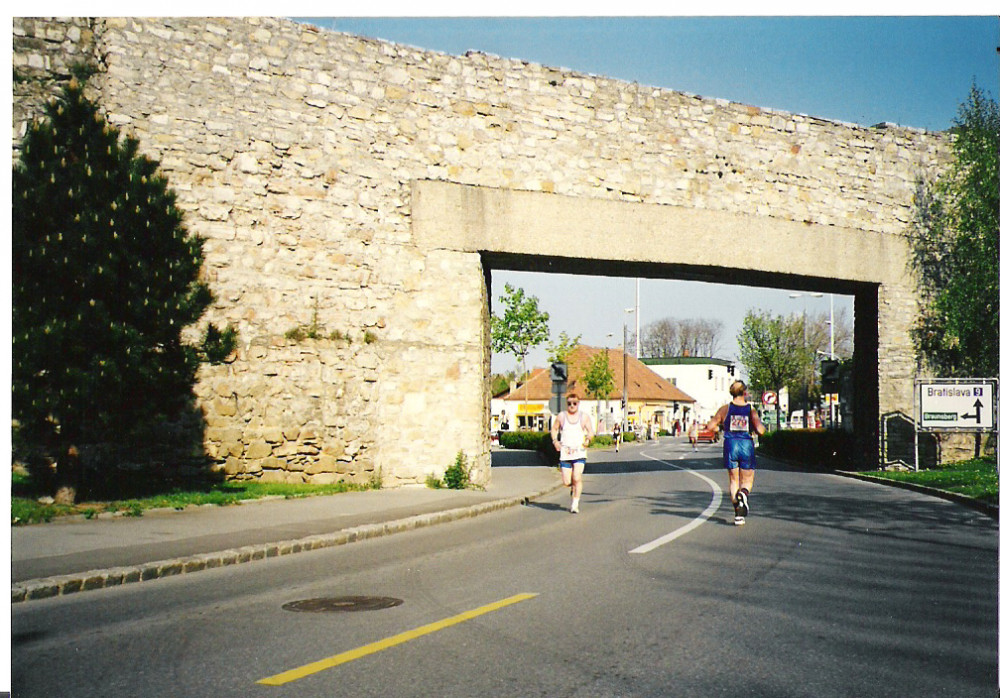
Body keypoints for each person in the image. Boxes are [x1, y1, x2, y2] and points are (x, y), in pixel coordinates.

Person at [705, 380, 766, 526]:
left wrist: (720, 428)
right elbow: (761, 430)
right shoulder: (750, 410)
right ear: (744, 392)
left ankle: (738, 514)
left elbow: (710, 426)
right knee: (747, 479)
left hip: (730, 444)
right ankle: (743, 494)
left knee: (733, 480)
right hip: (746, 444)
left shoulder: (725, 409)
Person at [551, 391, 594, 513]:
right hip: (565, 452)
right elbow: (554, 429)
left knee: (577, 477)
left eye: (574, 403)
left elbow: (590, 431)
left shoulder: (584, 417)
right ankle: (573, 488)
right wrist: (555, 441)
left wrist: (588, 439)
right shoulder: (561, 416)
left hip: (579, 452)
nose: (572, 405)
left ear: (578, 404)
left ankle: (575, 504)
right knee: (567, 481)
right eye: (569, 403)